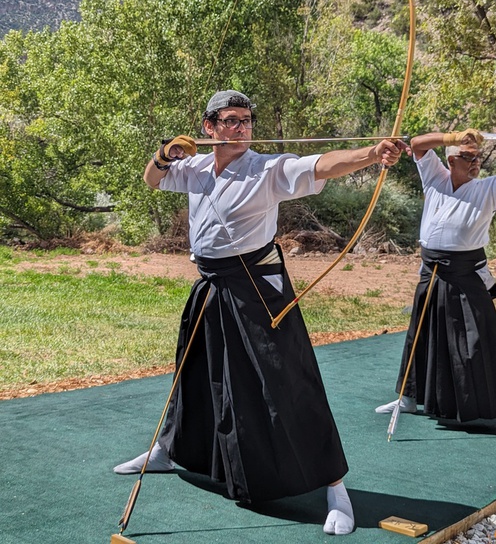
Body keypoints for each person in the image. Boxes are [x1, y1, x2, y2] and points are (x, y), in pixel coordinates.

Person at [114, 89, 408, 536]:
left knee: (288, 382)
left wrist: (371, 153)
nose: (241, 129)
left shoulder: (267, 169)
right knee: (196, 374)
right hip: (211, 285)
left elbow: (321, 164)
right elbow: (152, 180)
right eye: (231, 121)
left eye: (247, 121)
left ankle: (334, 486)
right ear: (209, 127)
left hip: (258, 289)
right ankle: (168, 450)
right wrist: (164, 154)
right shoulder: (194, 166)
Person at [375, 129, 496, 442]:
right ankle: (408, 398)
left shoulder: (488, 188)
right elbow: (417, 144)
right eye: (468, 157)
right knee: (420, 336)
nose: (476, 163)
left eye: (478, 158)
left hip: (466, 274)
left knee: (482, 341)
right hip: (431, 272)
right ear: (451, 160)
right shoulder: (435, 177)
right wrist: (453, 136)